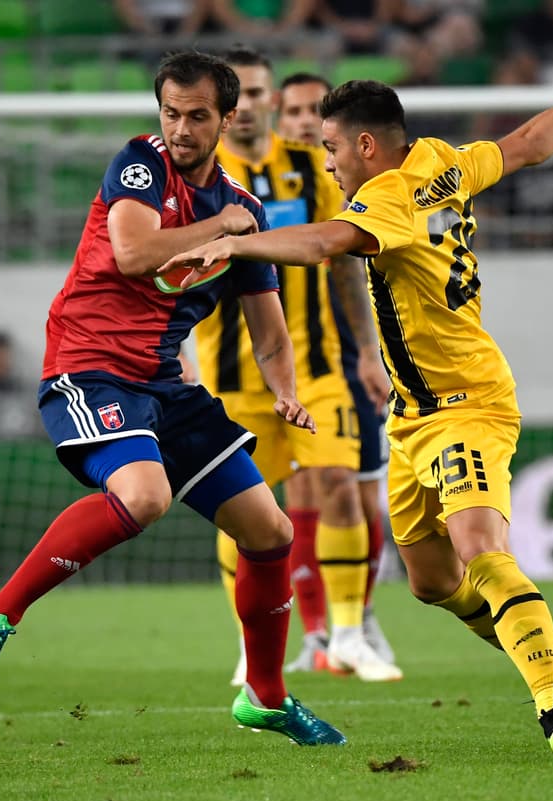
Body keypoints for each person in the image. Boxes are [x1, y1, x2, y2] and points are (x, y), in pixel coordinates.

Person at [160, 56, 553, 758]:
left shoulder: (388, 197)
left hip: (466, 403)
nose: (332, 166)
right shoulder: (442, 159)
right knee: (434, 580)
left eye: (334, 150)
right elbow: (527, 143)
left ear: (367, 146)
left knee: (480, 550)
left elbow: (322, 242)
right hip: (414, 415)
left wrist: (234, 242)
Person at [0, 50, 345, 746]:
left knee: (271, 532)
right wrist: (221, 230)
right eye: (172, 113)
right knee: (144, 496)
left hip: (166, 384)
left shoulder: (247, 212)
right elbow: (135, 253)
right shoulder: (139, 163)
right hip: (88, 367)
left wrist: (284, 392)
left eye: (199, 116)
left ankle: (266, 696)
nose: (183, 128)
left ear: (227, 118)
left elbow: (270, 334)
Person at [196, 49, 399, 685]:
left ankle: (347, 635)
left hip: (317, 363)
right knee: (239, 510)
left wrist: (367, 351)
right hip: (229, 374)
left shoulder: (315, 168)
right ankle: (246, 642)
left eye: (261, 93)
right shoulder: (196, 177)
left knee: (339, 482)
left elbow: (344, 261)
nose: (252, 106)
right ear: (227, 110)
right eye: (244, 96)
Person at [276, 69, 399, 670]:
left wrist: (369, 353)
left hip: (347, 363)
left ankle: (361, 617)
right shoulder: (253, 183)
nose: (301, 121)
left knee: (354, 492)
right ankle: (317, 633)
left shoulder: (354, 191)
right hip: (279, 367)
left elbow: (349, 267)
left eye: (311, 112)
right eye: (292, 110)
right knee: (298, 493)